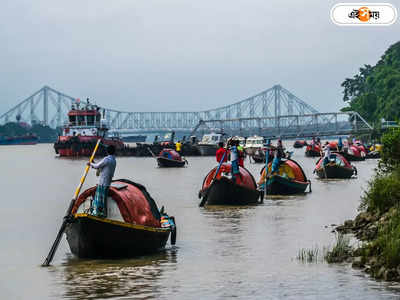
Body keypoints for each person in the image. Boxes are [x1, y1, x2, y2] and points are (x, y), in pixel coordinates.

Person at [88, 145, 117, 217]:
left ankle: (99, 214)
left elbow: (97, 166)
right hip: (107, 182)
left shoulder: (107, 159)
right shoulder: (114, 160)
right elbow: (101, 168)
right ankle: (103, 213)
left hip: (103, 183)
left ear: (107, 151)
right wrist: (93, 163)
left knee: (100, 199)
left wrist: (90, 164)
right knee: (104, 200)